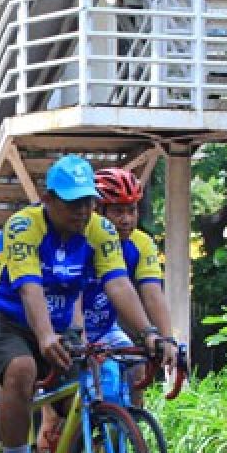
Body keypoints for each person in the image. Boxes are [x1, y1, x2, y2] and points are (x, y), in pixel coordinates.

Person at [0, 154, 177, 453]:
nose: (83, 211)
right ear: (48, 199)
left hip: (59, 325)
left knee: (86, 396)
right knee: (23, 368)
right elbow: (30, 287)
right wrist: (46, 336)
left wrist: (151, 334)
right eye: (73, 203)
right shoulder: (24, 226)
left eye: (89, 202)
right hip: (2, 318)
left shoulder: (100, 229)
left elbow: (119, 284)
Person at [81, 166, 174, 406]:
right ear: (98, 211)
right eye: (118, 211)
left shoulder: (141, 243)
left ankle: (130, 432)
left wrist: (167, 339)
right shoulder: (80, 240)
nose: (126, 220)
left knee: (136, 368)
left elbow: (153, 294)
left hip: (104, 328)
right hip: (69, 326)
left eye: (131, 210)